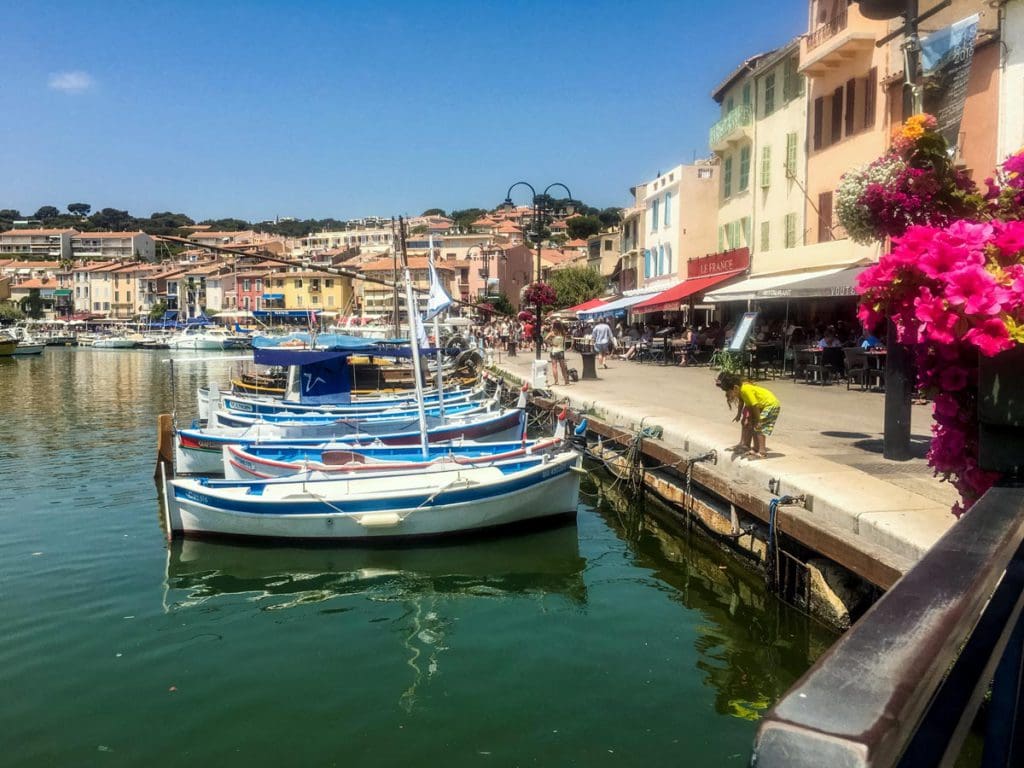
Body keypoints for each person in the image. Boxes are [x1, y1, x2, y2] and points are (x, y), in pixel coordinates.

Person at [716, 372, 781, 459]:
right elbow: (746, 404)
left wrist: (758, 420)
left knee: (759, 427)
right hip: (764, 405)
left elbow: (755, 405)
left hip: (771, 405)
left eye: (729, 392)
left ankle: (762, 452)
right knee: (754, 425)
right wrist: (741, 415)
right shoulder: (741, 390)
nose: (728, 395)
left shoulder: (745, 390)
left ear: (735, 388)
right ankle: (755, 448)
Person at [544, 321, 571, 386]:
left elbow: (545, 339)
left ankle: (556, 381)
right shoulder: (563, 333)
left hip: (554, 351)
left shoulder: (552, 333)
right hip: (561, 351)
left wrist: (551, 343)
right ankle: (566, 381)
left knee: (554, 367)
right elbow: (565, 339)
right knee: (563, 367)